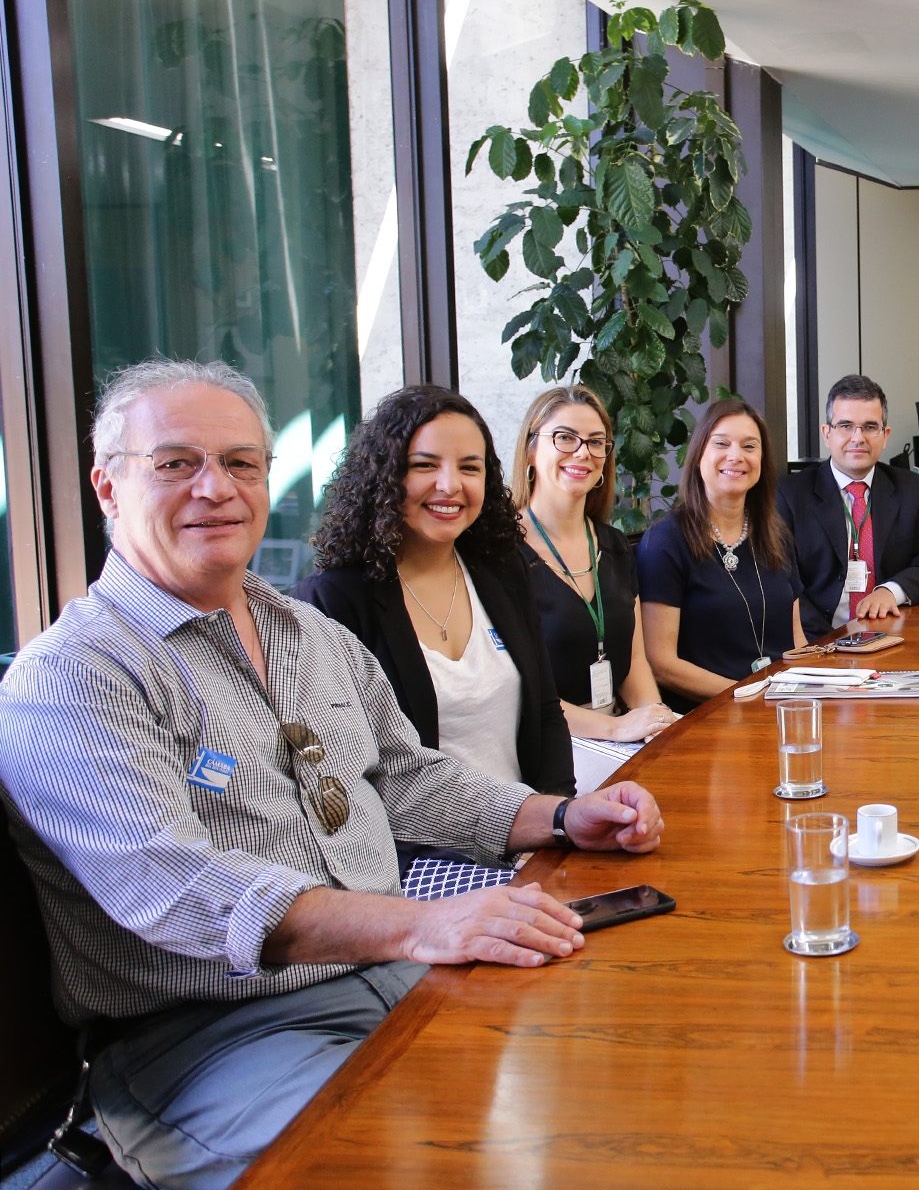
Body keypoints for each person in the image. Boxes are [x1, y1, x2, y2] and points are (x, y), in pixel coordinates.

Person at [0, 360, 662, 1190]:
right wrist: (419, 924)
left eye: (241, 463)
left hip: (395, 977)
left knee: (616, 1073)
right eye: (176, 463)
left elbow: (406, 779)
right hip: (210, 1037)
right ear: (106, 487)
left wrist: (560, 819)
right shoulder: (74, 675)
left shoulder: (308, 634)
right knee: (403, 1167)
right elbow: (181, 890)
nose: (217, 488)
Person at [293, 386, 575, 797]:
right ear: (384, 475)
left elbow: (546, 713)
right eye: (425, 465)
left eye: (469, 467)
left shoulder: (503, 568)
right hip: (422, 852)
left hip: (529, 829)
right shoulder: (332, 603)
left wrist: (556, 819)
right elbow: (351, 778)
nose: (450, 485)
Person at [511, 385, 677, 743]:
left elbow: (633, 665)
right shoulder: (502, 553)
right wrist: (616, 729)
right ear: (530, 450)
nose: (583, 453)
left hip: (617, 733)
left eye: (596, 441)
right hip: (546, 745)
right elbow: (519, 691)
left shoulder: (614, 545)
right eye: (565, 438)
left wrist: (655, 726)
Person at [639, 399, 806, 703]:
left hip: (779, 705)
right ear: (699, 454)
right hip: (709, 717)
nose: (735, 456)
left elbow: (795, 641)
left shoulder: (776, 534)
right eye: (721, 443)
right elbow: (660, 663)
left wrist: (817, 690)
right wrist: (746, 695)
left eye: (749, 446)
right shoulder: (665, 541)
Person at [778, 374, 919, 639]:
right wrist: (830, 641)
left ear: (885, 435)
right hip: (815, 639)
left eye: (870, 427)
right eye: (845, 426)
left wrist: (890, 590)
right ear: (827, 433)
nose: (858, 438)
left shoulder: (911, 489)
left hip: (888, 636)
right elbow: (784, 582)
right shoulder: (790, 494)